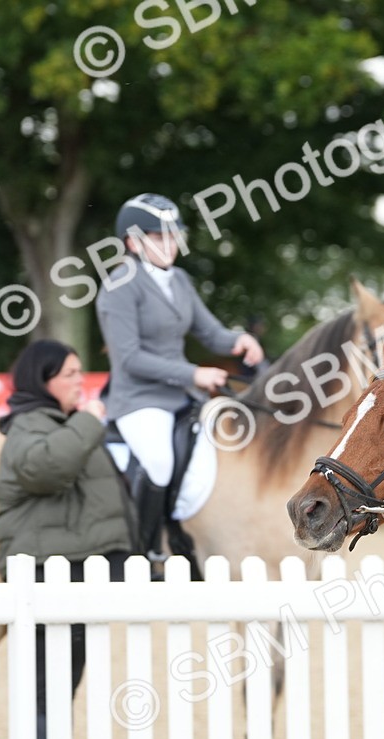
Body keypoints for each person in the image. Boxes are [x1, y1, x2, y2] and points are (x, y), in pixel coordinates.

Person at [0, 339, 136, 739]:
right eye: (70, 374)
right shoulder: (29, 425)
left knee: (60, 684)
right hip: (45, 572)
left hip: (72, 569)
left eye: (80, 372)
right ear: (44, 379)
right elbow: (45, 469)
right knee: (44, 688)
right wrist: (90, 423)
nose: (80, 381)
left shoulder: (61, 421)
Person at [95, 193, 264, 562]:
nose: (169, 244)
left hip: (183, 396)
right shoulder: (119, 285)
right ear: (132, 242)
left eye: (173, 235)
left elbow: (210, 333)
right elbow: (129, 358)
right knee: (159, 461)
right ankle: (146, 551)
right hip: (138, 399)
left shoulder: (181, 280)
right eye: (158, 237)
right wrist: (194, 372)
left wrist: (240, 340)